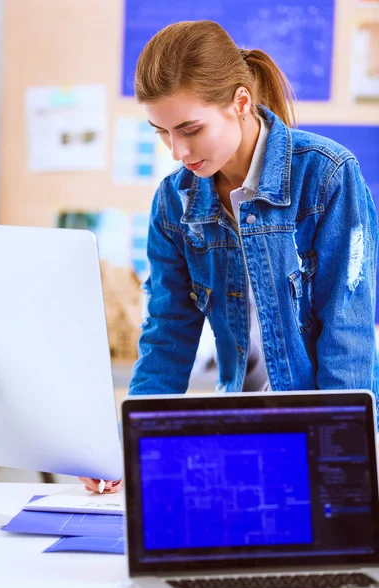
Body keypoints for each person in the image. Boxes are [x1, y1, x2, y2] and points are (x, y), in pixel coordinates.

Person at [80, 20, 379, 494]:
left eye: (190, 129)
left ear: (240, 102)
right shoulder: (173, 203)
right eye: (161, 132)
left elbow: (348, 336)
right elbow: (167, 336)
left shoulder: (326, 176)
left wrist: (341, 461)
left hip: (319, 439)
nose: (177, 151)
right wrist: (126, 445)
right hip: (238, 436)